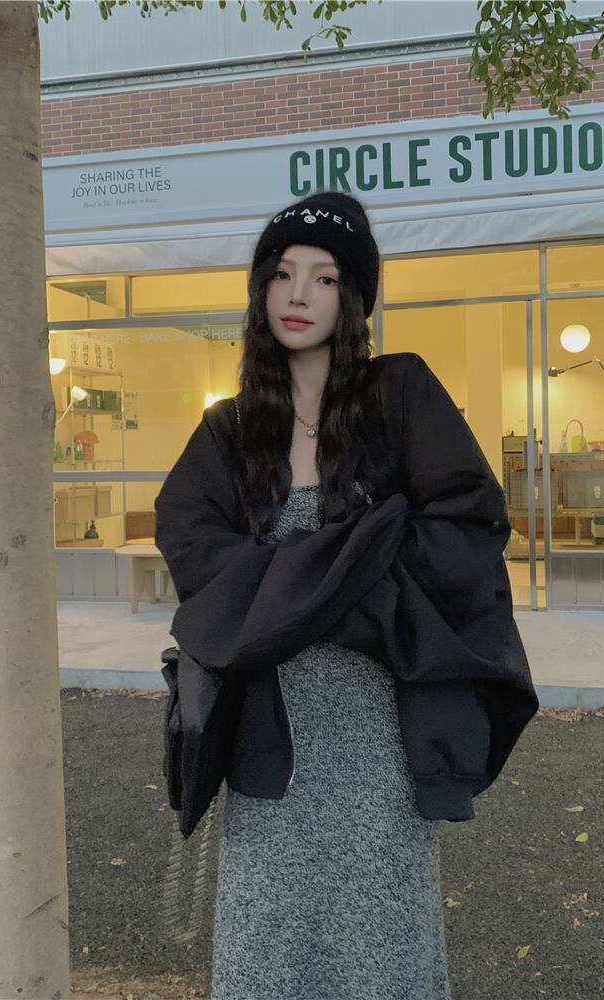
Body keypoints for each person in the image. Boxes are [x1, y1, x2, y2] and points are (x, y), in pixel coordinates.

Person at [154, 190, 538, 1000]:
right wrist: (355, 559)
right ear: (260, 288)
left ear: (352, 297)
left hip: (379, 738)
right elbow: (193, 549)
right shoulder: (230, 430)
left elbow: (466, 526)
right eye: (283, 273)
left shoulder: (399, 396)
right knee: (268, 951)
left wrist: (290, 589)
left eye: (325, 278)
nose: (299, 294)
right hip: (269, 740)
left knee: (381, 949)